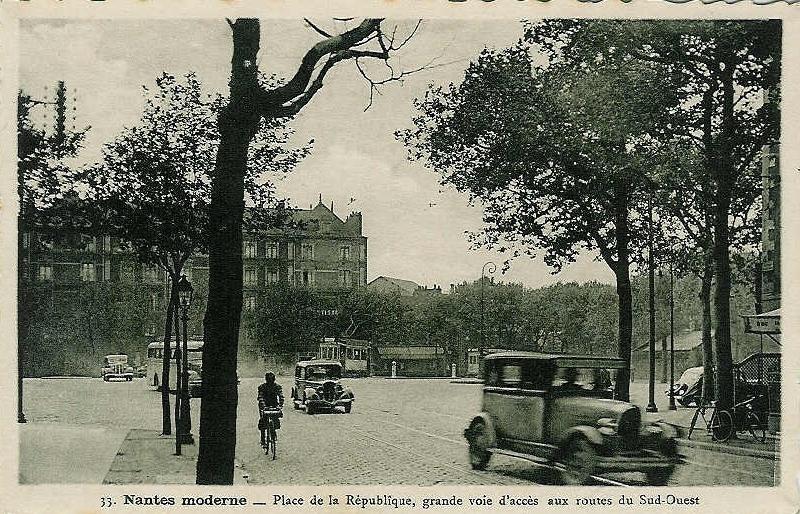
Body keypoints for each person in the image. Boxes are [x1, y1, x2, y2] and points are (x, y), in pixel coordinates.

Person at [257, 372, 284, 447]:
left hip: (274, 405)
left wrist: (280, 405)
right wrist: (263, 405)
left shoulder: (277, 387)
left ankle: (273, 431)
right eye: (269, 380)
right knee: (263, 420)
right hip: (264, 406)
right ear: (266, 380)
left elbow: (281, 396)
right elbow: (260, 397)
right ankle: (263, 440)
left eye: (272, 380)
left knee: (275, 418)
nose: (270, 381)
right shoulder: (261, 387)